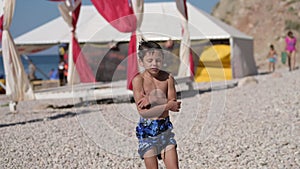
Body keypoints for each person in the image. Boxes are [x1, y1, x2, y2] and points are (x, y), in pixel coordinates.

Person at [132, 41, 181, 169]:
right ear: (141, 62)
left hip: (165, 128)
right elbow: (143, 112)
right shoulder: (138, 80)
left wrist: (153, 98)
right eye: (150, 60)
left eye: (158, 60)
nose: (154, 64)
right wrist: (165, 104)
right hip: (147, 131)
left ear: (163, 60)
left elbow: (174, 104)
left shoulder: (167, 78)